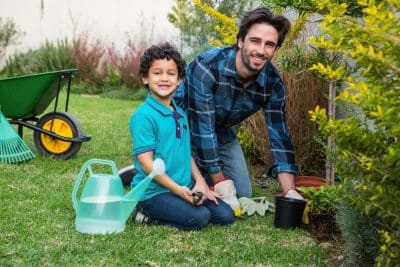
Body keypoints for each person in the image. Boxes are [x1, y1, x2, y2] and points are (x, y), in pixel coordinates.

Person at [174, 7, 303, 208]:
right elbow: (203, 129)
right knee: (188, 184)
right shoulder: (207, 66)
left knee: (243, 192)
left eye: (269, 45)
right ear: (240, 41)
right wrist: (219, 182)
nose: (261, 50)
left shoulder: (273, 83)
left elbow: (279, 135)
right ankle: (160, 163)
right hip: (181, 128)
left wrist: (290, 191)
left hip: (222, 132)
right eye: (255, 41)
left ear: (275, 50)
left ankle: (197, 170)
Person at [130, 42, 234, 230]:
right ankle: (143, 213)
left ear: (179, 80)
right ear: (145, 78)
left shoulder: (179, 113)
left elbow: (185, 152)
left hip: (183, 187)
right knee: (200, 218)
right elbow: (146, 164)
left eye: (171, 73)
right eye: (157, 73)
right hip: (153, 193)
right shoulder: (143, 116)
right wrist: (178, 191)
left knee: (225, 214)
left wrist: (201, 184)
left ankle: (182, 205)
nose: (164, 79)